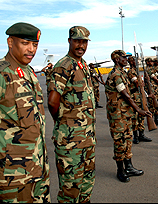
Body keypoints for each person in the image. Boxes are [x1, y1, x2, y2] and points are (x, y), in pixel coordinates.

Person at [0, 22, 50, 202]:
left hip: (37, 169)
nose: (31, 50)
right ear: (10, 42)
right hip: (13, 176)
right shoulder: (3, 74)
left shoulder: (27, 72)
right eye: (25, 43)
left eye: (34, 45)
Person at [47, 26, 96, 203]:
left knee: (86, 186)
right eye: (77, 41)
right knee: (70, 191)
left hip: (87, 139)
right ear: (69, 41)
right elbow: (53, 101)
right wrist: (62, 123)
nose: (81, 45)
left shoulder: (82, 64)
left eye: (84, 42)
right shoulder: (64, 65)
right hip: (71, 143)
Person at [105, 50, 152, 182]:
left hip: (125, 114)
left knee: (128, 139)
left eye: (126, 58)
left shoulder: (123, 73)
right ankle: (120, 170)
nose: (126, 59)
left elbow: (131, 90)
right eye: (123, 58)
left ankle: (129, 166)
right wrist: (138, 109)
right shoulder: (115, 74)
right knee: (120, 142)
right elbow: (125, 94)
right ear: (116, 59)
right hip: (117, 115)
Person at [127, 56, 152, 144]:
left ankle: (141, 134)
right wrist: (140, 82)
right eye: (135, 61)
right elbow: (137, 83)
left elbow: (142, 84)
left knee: (141, 116)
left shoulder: (137, 72)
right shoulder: (131, 72)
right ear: (131, 62)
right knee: (135, 117)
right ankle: (135, 136)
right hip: (134, 96)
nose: (137, 62)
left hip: (140, 95)